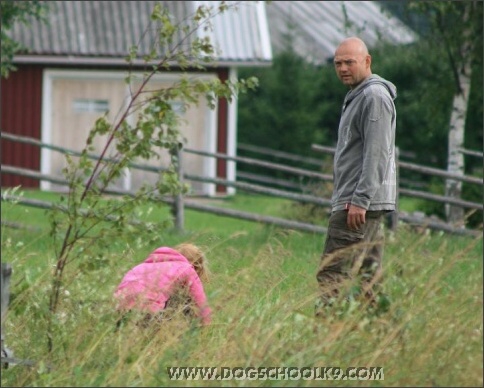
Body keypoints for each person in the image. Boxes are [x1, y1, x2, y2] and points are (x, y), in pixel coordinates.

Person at [315, 37, 397, 314]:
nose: (343, 68)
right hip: (362, 202)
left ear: (367, 61)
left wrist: (360, 200)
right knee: (368, 277)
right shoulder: (361, 95)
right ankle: (378, 334)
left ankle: (325, 332)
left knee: (332, 274)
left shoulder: (373, 96)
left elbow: (377, 152)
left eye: (349, 62)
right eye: (338, 63)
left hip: (357, 204)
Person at [114, 243, 212, 328]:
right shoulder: (187, 268)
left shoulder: (141, 266)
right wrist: (207, 325)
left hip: (119, 308)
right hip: (148, 310)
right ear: (196, 266)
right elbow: (201, 302)